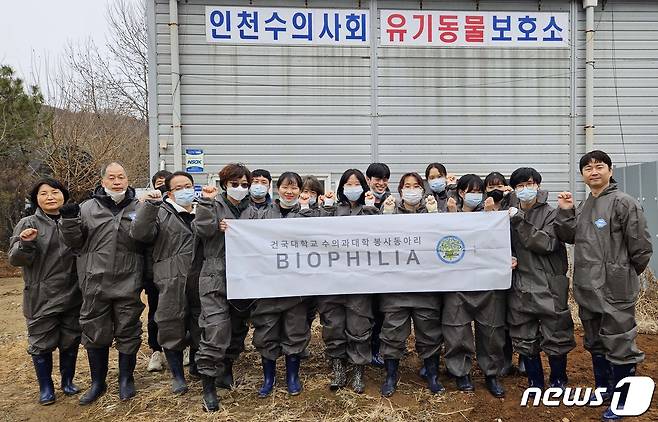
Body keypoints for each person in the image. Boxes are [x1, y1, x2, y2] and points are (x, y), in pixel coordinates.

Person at [555, 151, 652, 421]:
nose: (593, 171)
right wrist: (564, 212)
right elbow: (570, 236)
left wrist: (623, 273)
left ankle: (623, 400)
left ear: (610, 170)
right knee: (596, 341)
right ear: (583, 175)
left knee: (620, 342)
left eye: (599, 166)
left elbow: (641, 248)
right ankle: (606, 388)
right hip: (587, 287)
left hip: (615, 288)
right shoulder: (586, 205)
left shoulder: (623, 203)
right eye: (587, 168)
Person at [59, 162, 145, 404]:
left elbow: (149, 238)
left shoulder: (139, 206)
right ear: (103, 181)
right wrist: (68, 220)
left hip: (129, 279)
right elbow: (73, 243)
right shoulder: (87, 208)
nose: (117, 182)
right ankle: (98, 382)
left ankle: (126, 379)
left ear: (128, 180)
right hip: (94, 280)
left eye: (121, 177)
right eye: (111, 177)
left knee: (128, 329)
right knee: (95, 330)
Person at [8, 178, 82, 405]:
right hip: (41, 294)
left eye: (55, 192)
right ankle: (46, 387)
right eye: (43, 193)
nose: (50, 197)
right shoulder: (28, 223)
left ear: (64, 195)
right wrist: (26, 244)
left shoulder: (74, 220)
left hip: (73, 292)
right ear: (36, 199)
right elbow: (15, 259)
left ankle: (67, 381)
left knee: (70, 339)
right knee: (41, 342)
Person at [130, 171, 203, 396]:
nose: (185, 190)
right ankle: (177, 376)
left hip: (200, 278)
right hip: (170, 278)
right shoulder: (160, 212)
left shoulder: (202, 211)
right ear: (169, 192)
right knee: (170, 324)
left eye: (188, 185)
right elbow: (140, 233)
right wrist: (150, 207)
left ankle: (197, 366)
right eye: (179, 187)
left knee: (201, 324)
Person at [241, 172, 311, 398]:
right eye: (285, 187)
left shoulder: (309, 217)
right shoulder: (258, 215)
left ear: (300, 191)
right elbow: (242, 240)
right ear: (277, 189)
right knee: (266, 331)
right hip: (267, 287)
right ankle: (268, 378)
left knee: (295, 332)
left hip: (296, 288)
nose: (289, 192)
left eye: (294, 188)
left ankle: (292, 377)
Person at [506, 167, 576, 392]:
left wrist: (518, 221)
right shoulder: (507, 214)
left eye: (529, 184)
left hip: (548, 283)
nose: (525, 189)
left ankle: (558, 380)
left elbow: (546, 244)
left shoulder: (551, 213)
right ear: (514, 190)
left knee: (556, 333)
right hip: (521, 283)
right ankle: (534, 382)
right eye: (520, 186)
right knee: (524, 334)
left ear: (538, 185)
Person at [192, 163, 252, 412]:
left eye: (244, 185)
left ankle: (226, 368)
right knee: (216, 328)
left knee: (238, 327)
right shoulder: (212, 205)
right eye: (235, 184)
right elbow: (202, 230)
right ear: (224, 184)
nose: (240, 189)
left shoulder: (255, 209)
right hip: (215, 274)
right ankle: (208, 386)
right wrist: (208, 210)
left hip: (246, 275)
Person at [378, 172, 444, 397]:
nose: (412, 190)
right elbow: (374, 242)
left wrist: (437, 215)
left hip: (426, 288)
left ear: (423, 190)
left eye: (416, 186)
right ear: (400, 190)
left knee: (429, 333)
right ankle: (390, 376)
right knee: (392, 333)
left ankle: (433, 375)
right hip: (396, 288)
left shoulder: (432, 212)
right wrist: (384, 217)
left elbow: (445, 239)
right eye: (407, 186)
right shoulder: (389, 211)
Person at [312, 169, 378, 393]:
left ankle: (358, 369)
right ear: (341, 188)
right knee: (333, 324)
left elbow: (381, 235)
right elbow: (312, 234)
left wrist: (370, 209)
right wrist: (327, 209)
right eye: (348, 184)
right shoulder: (330, 210)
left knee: (359, 324)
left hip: (361, 280)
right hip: (331, 279)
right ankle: (338, 367)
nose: (352, 188)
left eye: (356, 184)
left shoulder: (372, 210)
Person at [442, 174, 507, 398]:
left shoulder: (493, 216)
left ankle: (491, 374)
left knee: (491, 330)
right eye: (470, 191)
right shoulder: (446, 215)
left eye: (479, 191)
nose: (475, 196)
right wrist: (451, 216)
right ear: (460, 193)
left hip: (486, 282)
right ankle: (462, 373)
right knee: (456, 329)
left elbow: (502, 242)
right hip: (456, 284)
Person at [482, 172, 520, 377]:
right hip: (492, 275)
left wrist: (512, 197)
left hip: (517, 271)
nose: (495, 189)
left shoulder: (512, 209)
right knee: (497, 321)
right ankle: (503, 359)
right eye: (490, 186)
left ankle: (523, 357)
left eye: (499, 185)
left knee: (519, 317)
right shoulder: (482, 210)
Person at [144, 170, 172, 373]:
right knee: (155, 312)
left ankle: (184, 347)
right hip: (153, 270)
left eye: (166, 185)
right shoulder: (146, 207)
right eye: (158, 184)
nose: (161, 188)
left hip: (178, 271)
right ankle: (156, 350)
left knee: (181, 312)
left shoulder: (184, 208)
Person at [365, 163, 392, 367]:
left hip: (388, 266)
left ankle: (379, 349)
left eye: (384, 179)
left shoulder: (394, 201)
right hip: (365, 267)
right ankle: (366, 349)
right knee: (367, 312)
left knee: (384, 313)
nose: (381, 183)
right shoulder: (360, 200)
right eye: (377, 179)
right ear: (368, 180)